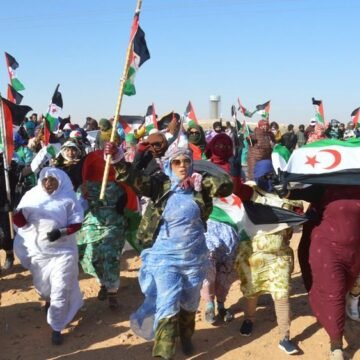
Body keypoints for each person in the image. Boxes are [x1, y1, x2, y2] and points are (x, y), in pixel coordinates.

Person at [104, 142, 233, 360]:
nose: (182, 166)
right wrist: (117, 158)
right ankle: (163, 353)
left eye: (186, 161)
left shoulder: (200, 187)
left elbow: (227, 186)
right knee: (168, 300)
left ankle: (186, 336)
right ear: (169, 165)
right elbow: (134, 179)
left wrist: (202, 181)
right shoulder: (160, 186)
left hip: (193, 258)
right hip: (165, 257)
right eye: (176, 162)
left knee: (190, 302)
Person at [277, 181, 360, 360]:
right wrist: (282, 189)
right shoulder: (325, 186)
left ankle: (350, 304)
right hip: (327, 248)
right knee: (334, 294)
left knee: (347, 287)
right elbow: (295, 194)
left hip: (355, 252)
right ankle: (336, 345)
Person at [235, 159, 303, 355]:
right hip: (252, 255)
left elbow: (298, 221)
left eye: (271, 176)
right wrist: (234, 167)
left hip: (279, 256)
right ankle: (249, 319)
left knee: (281, 295)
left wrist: (288, 195)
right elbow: (235, 188)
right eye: (264, 176)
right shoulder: (251, 192)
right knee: (251, 292)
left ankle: (285, 337)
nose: (269, 180)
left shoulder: (287, 195)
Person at [13, 167, 84, 345]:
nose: (49, 183)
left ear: (59, 181)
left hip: (64, 252)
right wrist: (16, 212)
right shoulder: (32, 197)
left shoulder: (68, 198)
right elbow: (20, 223)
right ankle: (48, 300)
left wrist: (61, 232)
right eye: (45, 180)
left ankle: (57, 326)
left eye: (52, 180)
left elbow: (76, 223)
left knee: (60, 288)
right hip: (39, 254)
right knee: (44, 289)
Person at [77, 150, 127, 310]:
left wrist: (123, 202)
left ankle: (112, 292)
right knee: (90, 257)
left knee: (111, 258)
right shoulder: (84, 187)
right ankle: (102, 283)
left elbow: (130, 203)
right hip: (92, 225)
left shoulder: (121, 186)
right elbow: (78, 207)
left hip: (113, 225)